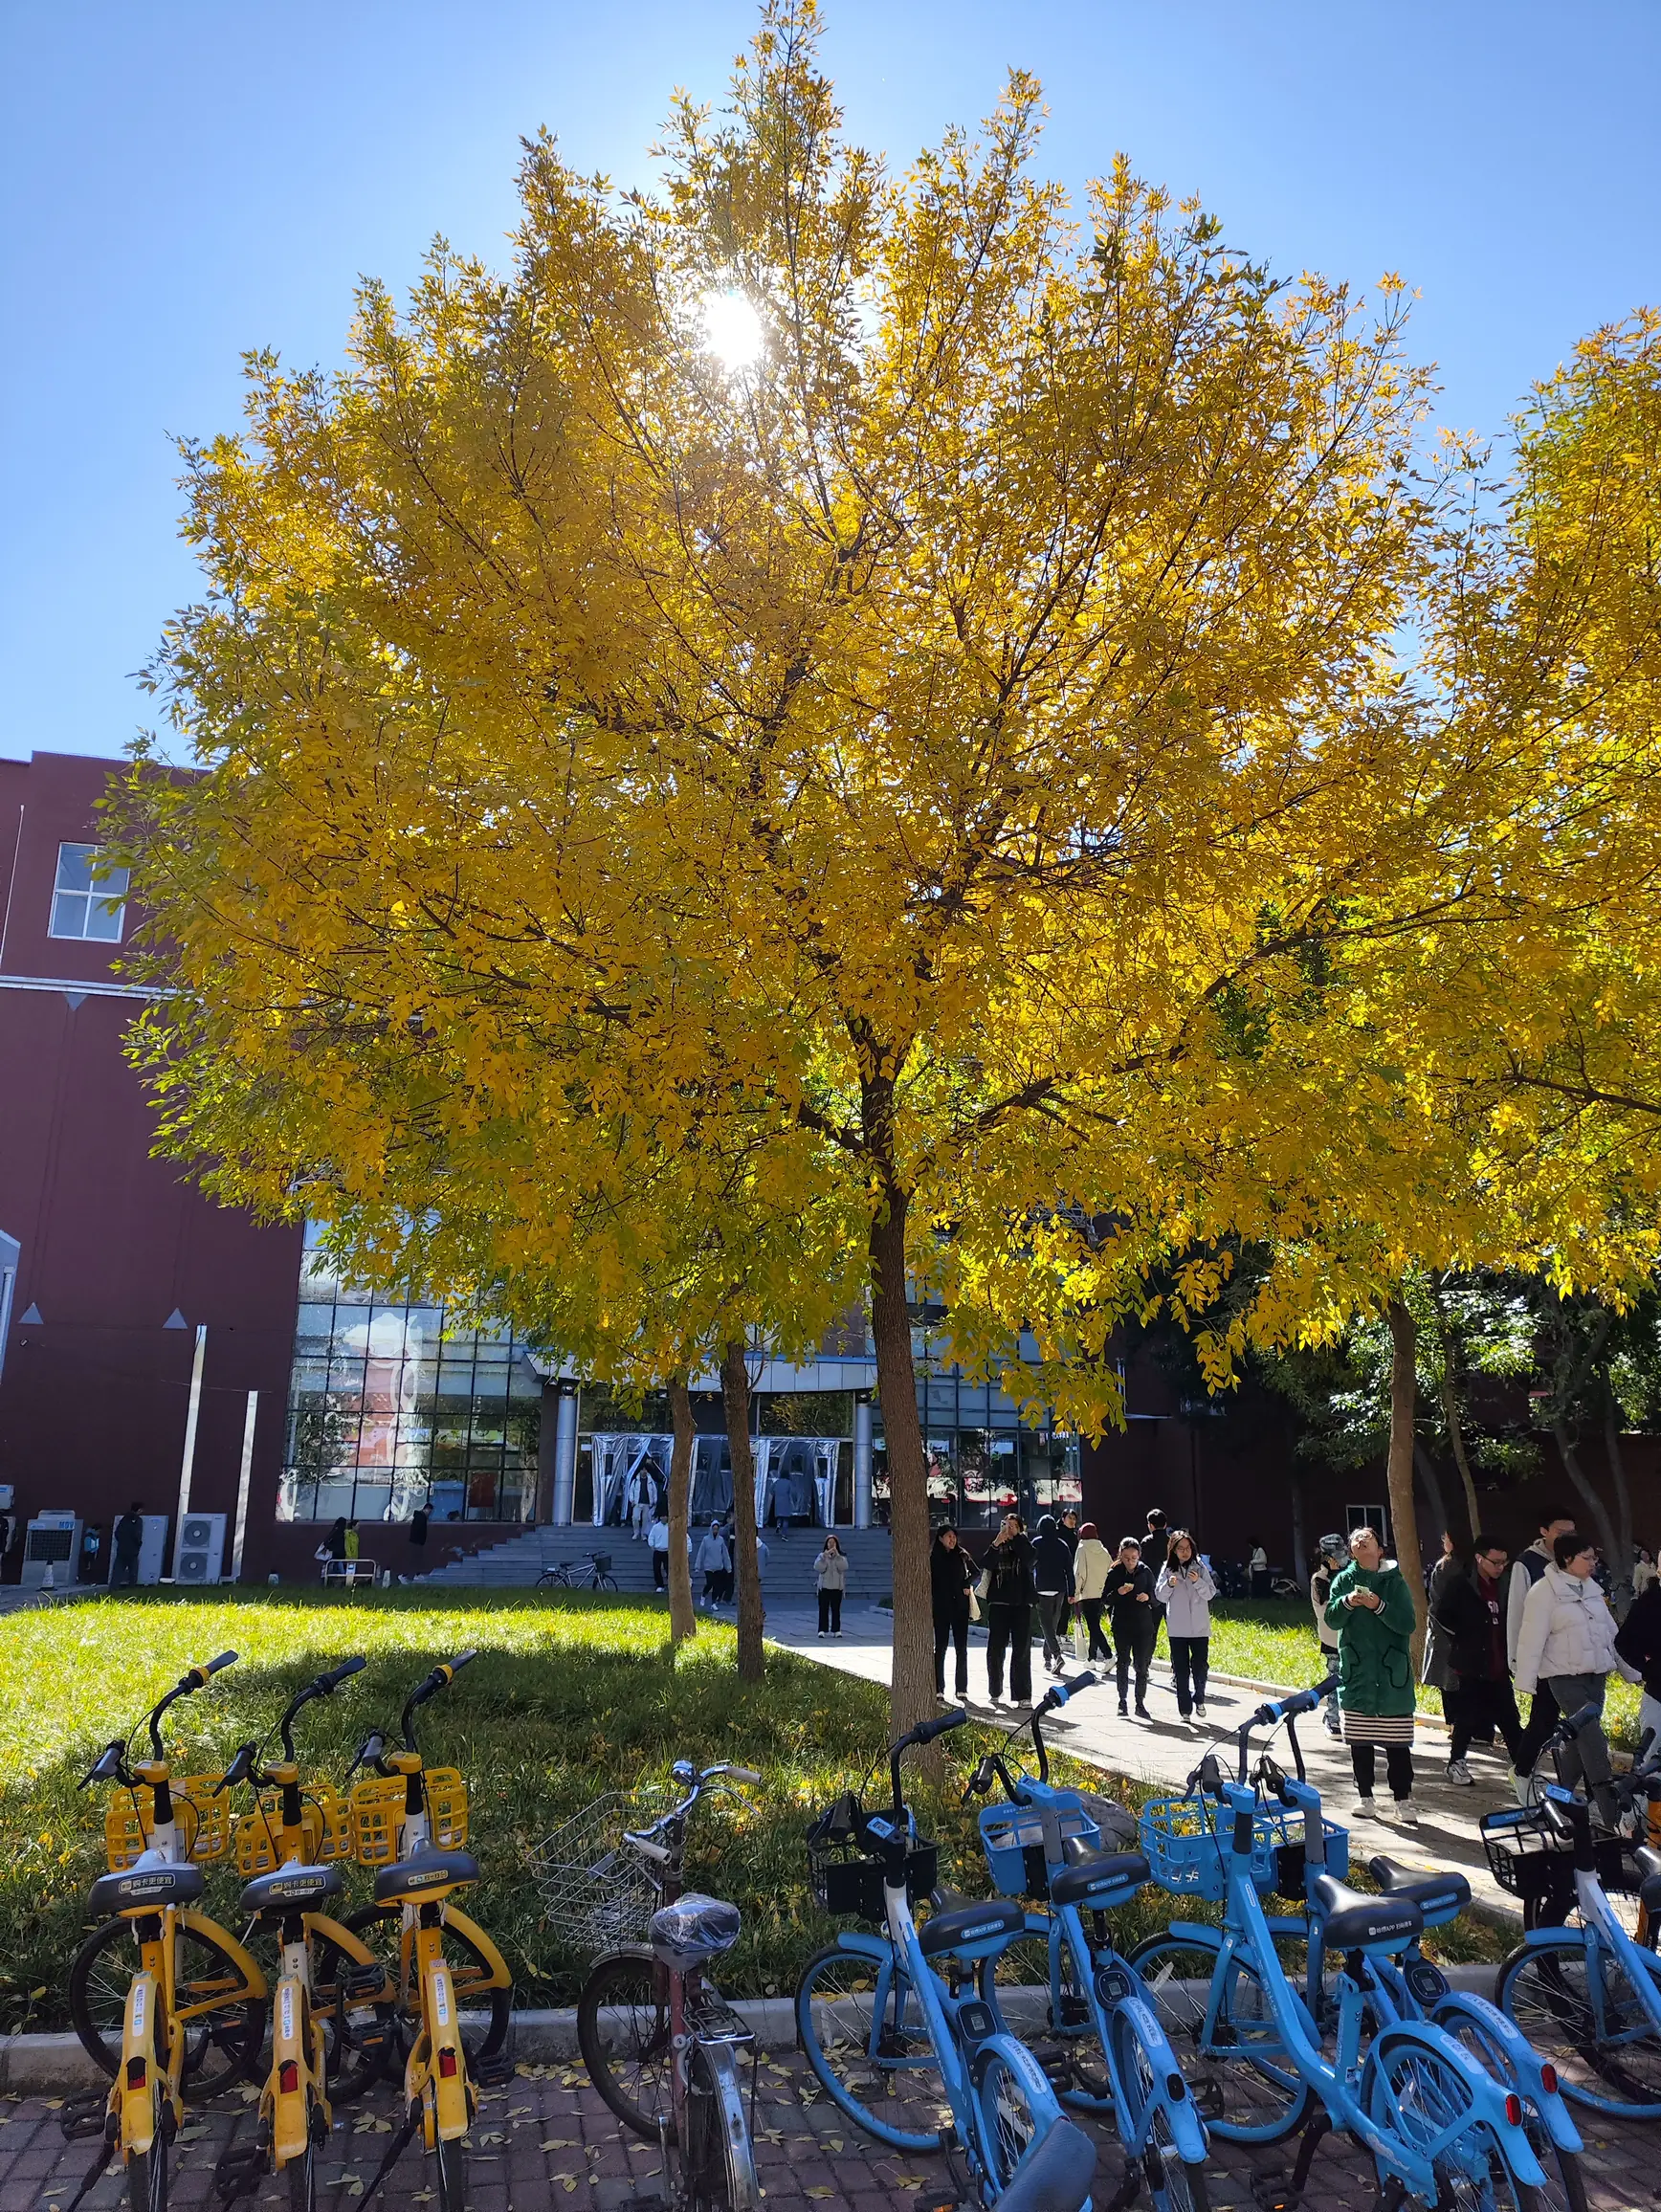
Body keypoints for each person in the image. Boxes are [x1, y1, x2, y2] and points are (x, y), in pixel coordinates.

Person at [1516, 1532, 1641, 1831]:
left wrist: (1631, 1672)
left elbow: (1611, 1635)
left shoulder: (1593, 1590)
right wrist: (1525, 1681)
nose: (1593, 1563)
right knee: (1594, 1742)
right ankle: (1612, 1819)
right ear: (1566, 1559)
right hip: (1563, 1679)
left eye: (1593, 1558)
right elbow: (1530, 1640)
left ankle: (1558, 1803)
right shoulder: (1543, 1593)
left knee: (1576, 1746)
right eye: (1586, 1558)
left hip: (1596, 1677)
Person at [1326, 1526, 1419, 1825]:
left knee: (1398, 1746)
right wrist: (1348, 1603)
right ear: (1352, 1552)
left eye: (1368, 1538)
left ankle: (1402, 1800)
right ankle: (1365, 1797)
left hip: (1392, 1677)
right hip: (1358, 1675)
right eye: (1355, 1539)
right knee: (1360, 1744)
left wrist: (1378, 1605)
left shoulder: (1395, 1582)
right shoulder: (1343, 1581)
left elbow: (1407, 1623)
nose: (1360, 1540)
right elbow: (1331, 1619)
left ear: (1380, 1549)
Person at [1432, 1535, 1527, 1785]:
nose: (1500, 1567)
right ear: (1479, 1558)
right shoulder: (1461, 1584)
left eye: (1504, 1562)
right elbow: (1442, 1615)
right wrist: (1464, 1638)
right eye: (1495, 1562)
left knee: (1510, 1719)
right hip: (1471, 1664)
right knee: (1466, 1717)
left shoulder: (1506, 1584)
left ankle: (1524, 1771)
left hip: (1499, 1664)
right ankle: (1456, 1763)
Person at [1508, 1508, 1577, 1791]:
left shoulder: (1576, 1562)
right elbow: (1516, 1614)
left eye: (1571, 1533)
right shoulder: (1526, 1564)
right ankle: (1522, 1772)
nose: (1567, 1538)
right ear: (1544, 1531)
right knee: (1543, 1721)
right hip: (1545, 1657)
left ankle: (1571, 1789)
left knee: (1580, 1724)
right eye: (1561, 1533)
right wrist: (1518, 1662)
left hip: (1576, 1658)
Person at [1156, 1530, 1215, 1722]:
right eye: (1180, 1549)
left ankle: (1199, 1698)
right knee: (1181, 1670)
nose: (1184, 1552)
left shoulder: (1200, 1567)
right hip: (1178, 1629)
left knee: (1200, 1667)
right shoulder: (1167, 1569)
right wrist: (1169, 1585)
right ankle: (1185, 1710)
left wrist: (1197, 1582)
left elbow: (1210, 1593)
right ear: (1173, 1550)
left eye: (1187, 1548)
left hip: (1199, 1628)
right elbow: (1159, 1596)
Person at [984, 1512, 1037, 1709]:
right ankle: (995, 1690)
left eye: (1015, 1525)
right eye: (1007, 1524)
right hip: (999, 1604)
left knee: (1022, 1650)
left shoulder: (1025, 1545)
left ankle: (1023, 1695)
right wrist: (997, 1542)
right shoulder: (997, 1545)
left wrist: (1017, 1538)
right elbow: (986, 1564)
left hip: (1021, 1604)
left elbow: (1030, 1560)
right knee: (995, 1649)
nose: (1010, 1528)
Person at [1108, 1537, 1158, 1717]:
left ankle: (1140, 1702)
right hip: (1121, 1623)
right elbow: (1105, 1598)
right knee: (1123, 1662)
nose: (1130, 1562)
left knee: (1141, 1665)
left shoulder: (1145, 1571)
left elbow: (1157, 1596)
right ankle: (1122, 1701)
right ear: (1120, 1555)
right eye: (1127, 1557)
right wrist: (1118, 1593)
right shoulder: (1114, 1572)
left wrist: (1148, 1597)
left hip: (1142, 1624)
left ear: (1139, 1556)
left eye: (1134, 1558)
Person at [1616, 1568, 1661, 1748]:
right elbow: (1624, 1642)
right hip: (1657, 1694)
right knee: (1651, 1758)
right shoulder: (1650, 1602)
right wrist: (1650, 1669)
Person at [930, 1527, 977, 1699]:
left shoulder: (962, 1555)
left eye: (954, 1537)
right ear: (941, 1538)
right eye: (949, 1537)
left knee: (961, 1648)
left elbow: (976, 1571)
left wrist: (966, 1584)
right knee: (940, 1647)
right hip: (941, 1607)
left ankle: (961, 1688)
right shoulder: (933, 1557)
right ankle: (938, 1687)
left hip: (960, 1607)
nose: (952, 1540)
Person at [1309, 1535, 1348, 1736]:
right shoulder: (1320, 1580)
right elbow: (1324, 1611)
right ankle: (1332, 1718)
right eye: (1336, 1557)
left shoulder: (1350, 1574)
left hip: (1352, 1637)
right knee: (1335, 1678)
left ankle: (1352, 1720)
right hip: (1332, 1637)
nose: (1341, 1560)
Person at [1422, 1531, 1463, 1718]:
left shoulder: (1444, 1566)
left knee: (1449, 1682)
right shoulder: (1471, 1564)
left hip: (1446, 1633)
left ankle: (1455, 1724)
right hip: (1460, 1632)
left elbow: (1435, 1603)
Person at [1031, 1513, 1075, 1677]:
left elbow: (1029, 1565)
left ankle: (1056, 1655)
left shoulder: (1036, 1543)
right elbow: (1069, 1571)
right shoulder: (1062, 1545)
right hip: (1060, 1590)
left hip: (1042, 1587)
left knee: (1046, 1625)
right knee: (1052, 1625)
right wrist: (1072, 1591)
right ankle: (1047, 1658)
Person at [1072, 1521, 1114, 1663]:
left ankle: (1108, 1656)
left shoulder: (1082, 1548)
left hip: (1087, 1593)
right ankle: (1091, 1659)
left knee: (1093, 1627)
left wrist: (1075, 1594)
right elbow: (1111, 1570)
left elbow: (1079, 1573)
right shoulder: (1104, 1550)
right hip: (1102, 1593)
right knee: (1095, 1625)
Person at [814, 1532, 849, 1639]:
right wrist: (824, 1557)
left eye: (833, 1543)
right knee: (823, 1609)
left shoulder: (841, 1557)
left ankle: (836, 1630)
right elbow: (818, 1568)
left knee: (836, 1609)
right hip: (824, 1587)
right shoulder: (821, 1556)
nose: (831, 1545)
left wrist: (837, 1556)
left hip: (837, 1587)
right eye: (829, 1543)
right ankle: (822, 1630)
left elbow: (843, 1567)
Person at [111, 1502, 145, 1589]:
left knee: (118, 1570)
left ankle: (113, 1588)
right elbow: (137, 1534)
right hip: (133, 1550)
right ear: (139, 1510)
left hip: (121, 1549)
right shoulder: (138, 1520)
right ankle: (131, 1589)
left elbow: (117, 1533)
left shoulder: (124, 1519)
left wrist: (122, 1542)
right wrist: (138, 1544)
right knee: (133, 1571)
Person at [695, 1521, 730, 1604]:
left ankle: (713, 1602)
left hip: (718, 1566)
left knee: (716, 1586)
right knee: (710, 1582)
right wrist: (697, 1566)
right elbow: (701, 1553)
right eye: (714, 1529)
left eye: (717, 1529)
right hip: (709, 1566)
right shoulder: (706, 1540)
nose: (715, 1531)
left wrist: (728, 1567)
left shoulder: (721, 1540)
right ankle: (703, 1595)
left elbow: (725, 1554)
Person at [647, 1511, 671, 1591]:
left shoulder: (670, 1527)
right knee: (656, 1568)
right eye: (662, 1516)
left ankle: (671, 1584)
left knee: (668, 1568)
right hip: (657, 1550)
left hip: (667, 1551)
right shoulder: (656, 1527)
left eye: (665, 1516)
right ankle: (660, 1585)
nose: (664, 1518)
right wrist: (651, 1545)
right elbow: (651, 1537)